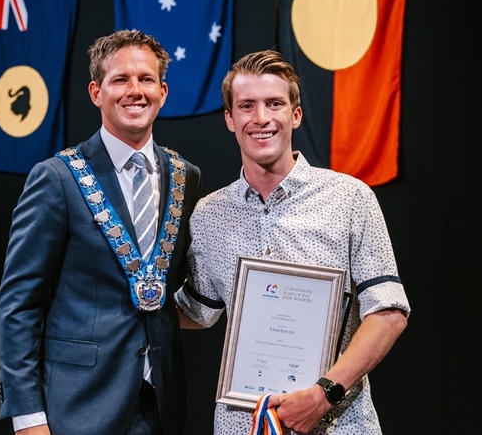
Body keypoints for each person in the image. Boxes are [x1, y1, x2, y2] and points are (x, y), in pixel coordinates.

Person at [175, 50, 410, 435]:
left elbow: (388, 313)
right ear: (230, 119)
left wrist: (324, 394)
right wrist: (116, 306)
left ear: (295, 115)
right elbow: (199, 311)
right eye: (246, 106)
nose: (261, 118)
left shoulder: (349, 198)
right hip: (240, 424)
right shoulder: (209, 214)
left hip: (340, 424)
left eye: (275, 104)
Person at [0, 30, 202, 435]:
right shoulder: (56, 178)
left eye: (145, 79)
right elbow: (18, 305)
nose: (134, 91)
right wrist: (27, 416)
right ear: (96, 92)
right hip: (78, 404)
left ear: (163, 91)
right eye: (120, 79)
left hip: (161, 404)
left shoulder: (186, 176)